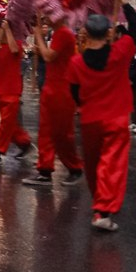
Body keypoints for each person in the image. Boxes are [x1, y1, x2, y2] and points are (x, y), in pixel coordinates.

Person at [67, 0, 136, 232]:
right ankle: (103, 210)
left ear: (86, 35)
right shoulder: (121, 52)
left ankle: (99, 204)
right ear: (109, 33)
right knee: (112, 165)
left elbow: (74, 92)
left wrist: (85, 105)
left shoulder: (77, 63)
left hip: (90, 119)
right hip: (117, 118)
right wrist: (123, 3)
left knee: (93, 165)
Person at [23, 17, 84, 187]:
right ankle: (44, 171)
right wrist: (39, 47)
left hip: (62, 90)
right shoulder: (57, 33)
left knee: (62, 133)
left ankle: (75, 168)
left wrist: (38, 37)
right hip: (52, 87)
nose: (45, 18)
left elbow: (49, 56)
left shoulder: (64, 34)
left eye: (49, 13)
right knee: (46, 131)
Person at [0, 19, 32, 165]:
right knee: (9, 123)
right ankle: (24, 142)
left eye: (0, 29)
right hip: (1, 89)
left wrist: (8, 30)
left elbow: (14, 50)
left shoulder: (16, 43)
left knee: (5, 123)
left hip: (13, 89)